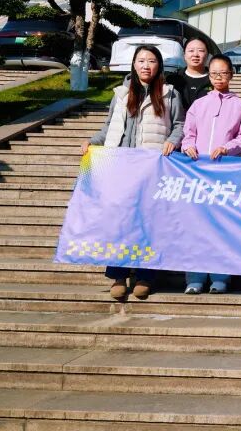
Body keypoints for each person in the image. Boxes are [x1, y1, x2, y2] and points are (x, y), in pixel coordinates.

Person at [82, 45, 185, 302]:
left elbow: (180, 124)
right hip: (120, 167)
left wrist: (172, 141)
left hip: (150, 169)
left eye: (151, 61)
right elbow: (109, 127)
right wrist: (92, 141)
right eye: (141, 60)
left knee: (147, 223)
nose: (146, 65)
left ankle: (144, 277)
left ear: (159, 66)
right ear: (134, 64)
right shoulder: (120, 93)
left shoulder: (170, 93)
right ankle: (118, 276)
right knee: (120, 222)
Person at [180, 54, 241, 294]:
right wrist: (188, 146)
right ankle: (195, 277)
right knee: (197, 226)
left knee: (223, 226)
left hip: (226, 174)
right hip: (198, 174)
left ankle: (221, 276)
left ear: (231, 74)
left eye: (223, 73)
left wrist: (227, 148)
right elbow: (188, 133)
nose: (219, 78)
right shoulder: (199, 104)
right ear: (208, 76)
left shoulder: (239, 104)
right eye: (214, 74)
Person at [165, 38, 212, 110]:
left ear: (208, 55)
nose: (195, 54)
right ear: (184, 55)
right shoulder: (173, 80)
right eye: (191, 51)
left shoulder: (215, 80)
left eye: (201, 51)